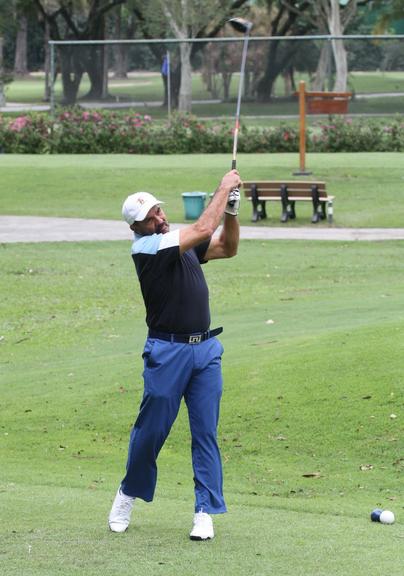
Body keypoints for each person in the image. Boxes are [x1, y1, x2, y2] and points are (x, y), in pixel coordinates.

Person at [108, 169, 242, 541]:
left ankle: (204, 511)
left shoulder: (174, 240)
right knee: (151, 431)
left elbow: (226, 248)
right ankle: (127, 493)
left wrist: (231, 211)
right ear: (137, 227)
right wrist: (222, 188)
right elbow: (201, 229)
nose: (160, 218)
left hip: (206, 352)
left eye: (159, 211)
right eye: (151, 218)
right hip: (167, 352)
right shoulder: (147, 249)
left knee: (206, 433)